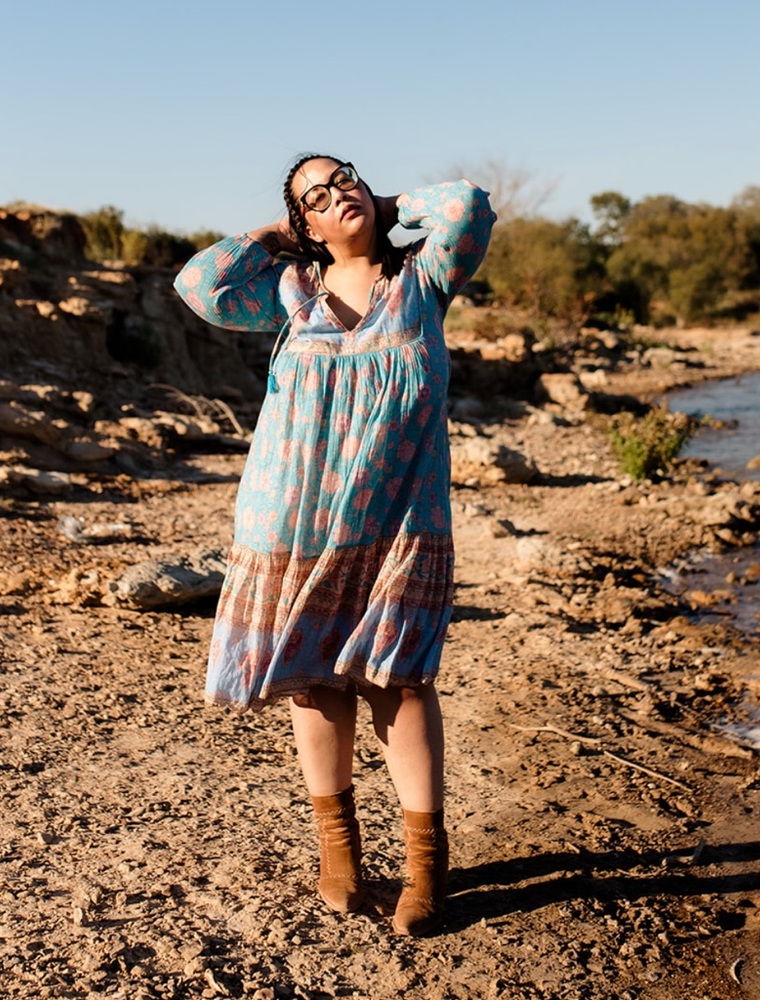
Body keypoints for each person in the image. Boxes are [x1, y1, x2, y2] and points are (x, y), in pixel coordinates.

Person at [174, 154, 495, 935]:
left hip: (398, 519)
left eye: (344, 176)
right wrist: (275, 234)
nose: (337, 193)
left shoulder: (423, 280)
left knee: (402, 681)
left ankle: (425, 864)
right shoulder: (288, 295)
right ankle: (339, 852)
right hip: (293, 518)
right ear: (304, 226)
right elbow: (201, 286)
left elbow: (466, 206)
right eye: (316, 196)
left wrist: (381, 203)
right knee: (315, 681)